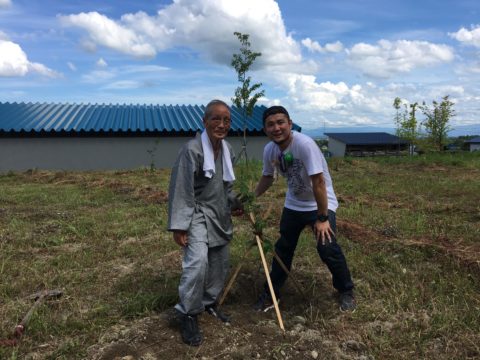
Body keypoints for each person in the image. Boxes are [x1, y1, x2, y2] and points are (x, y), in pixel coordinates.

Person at [253, 105, 356, 312]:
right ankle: (272, 292)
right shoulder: (270, 150)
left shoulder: (304, 145)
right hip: (293, 204)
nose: (276, 128)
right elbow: (267, 177)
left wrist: (323, 217)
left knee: (327, 247)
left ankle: (346, 290)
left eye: (281, 122)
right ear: (265, 129)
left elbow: (318, 182)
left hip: (320, 203)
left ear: (290, 124)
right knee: (283, 248)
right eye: (271, 125)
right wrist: (250, 197)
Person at [167, 99, 242, 346]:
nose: (221, 124)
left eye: (226, 120)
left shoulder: (228, 149)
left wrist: (236, 202)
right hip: (197, 212)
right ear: (205, 122)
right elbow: (182, 189)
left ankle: (209, 303)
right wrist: (180, 225)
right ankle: (187, 312)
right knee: (197, 262)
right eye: (216, 119)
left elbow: (226, 185)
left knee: (220, 262)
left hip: (219, 211)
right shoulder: (192, 150)